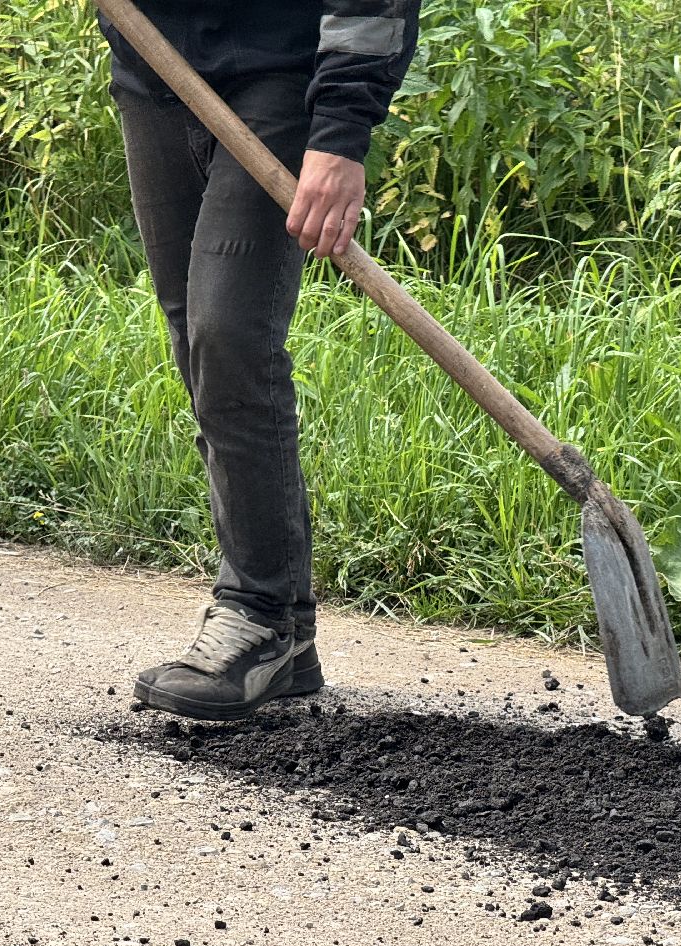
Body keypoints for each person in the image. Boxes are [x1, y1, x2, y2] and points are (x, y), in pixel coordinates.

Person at [97, 1, 421, 720]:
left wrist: (341, 132)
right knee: (197, 340)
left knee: (230, 336)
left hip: (283, 72)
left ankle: (257, 613)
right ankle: (287, 636)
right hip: (152, 62)